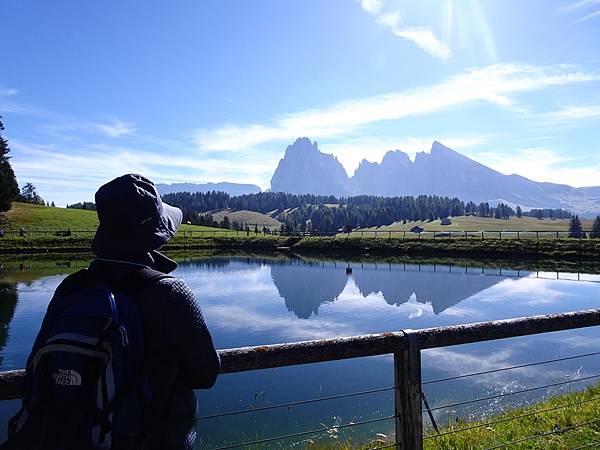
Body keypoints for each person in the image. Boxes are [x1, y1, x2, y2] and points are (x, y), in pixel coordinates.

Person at [2, 174, 220, 450]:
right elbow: (206, 374)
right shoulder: (169, 293)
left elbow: (38, 369)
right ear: (155, 235)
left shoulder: (71, 288)